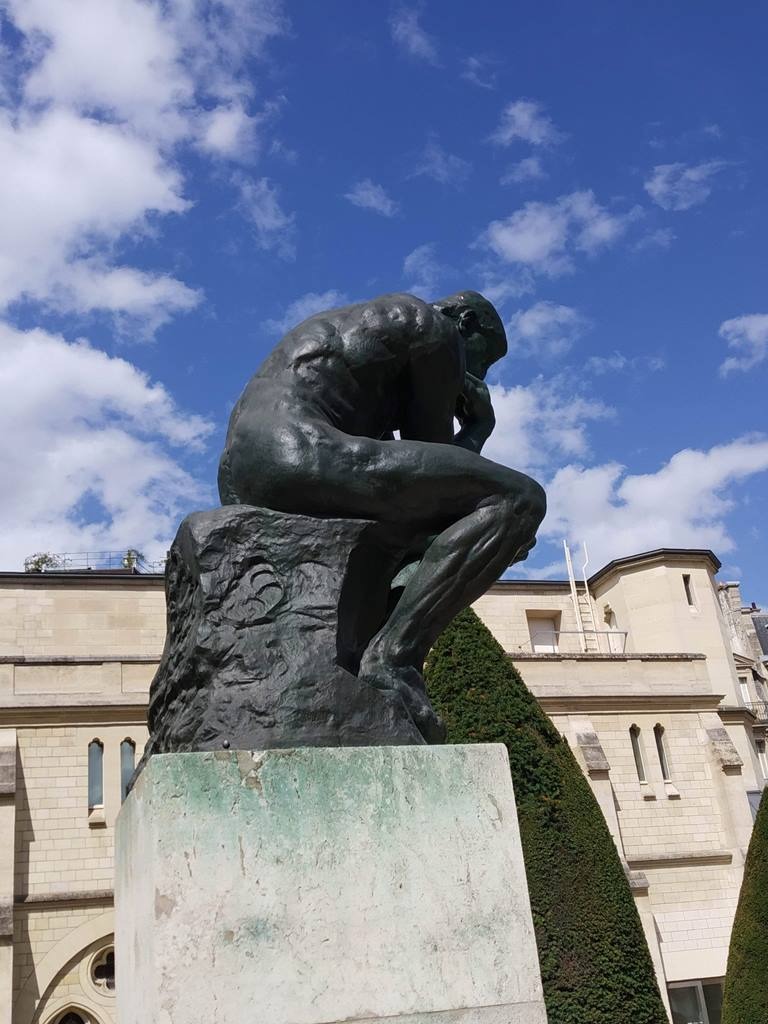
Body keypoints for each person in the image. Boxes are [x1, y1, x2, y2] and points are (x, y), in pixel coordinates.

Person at [218, 290, 546, 733]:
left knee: (436, 528)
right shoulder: (433, 326)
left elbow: (419, 476)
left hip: (244, 471)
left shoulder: (363, 332)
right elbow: (435, 458)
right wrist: (479, 427)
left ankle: (366, 641)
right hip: (299, 449)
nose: (475, 376)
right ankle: (394, 658)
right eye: (481, 362)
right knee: (519, 500)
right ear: (467, 323)